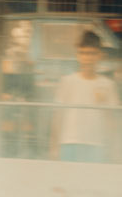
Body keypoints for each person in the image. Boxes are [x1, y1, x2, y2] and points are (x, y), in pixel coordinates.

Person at [50, 30, 119, 163]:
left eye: (92, 53)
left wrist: (114, 150)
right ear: (77, 55)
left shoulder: (107, 85)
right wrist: (53, 148)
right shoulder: (67, 82)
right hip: (69, 144)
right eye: (83, 53)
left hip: (97, 145)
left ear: (99, 55)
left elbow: (112, 121)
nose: (87, 58)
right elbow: (58, 117)